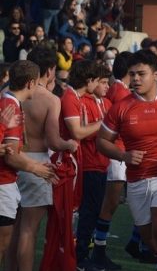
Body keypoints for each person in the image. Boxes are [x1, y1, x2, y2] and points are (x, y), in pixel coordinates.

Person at [92, 50, 157, 271]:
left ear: (156, 75)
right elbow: (102, 141)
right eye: (132, 74)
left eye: (141, 74)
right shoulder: (121, 107)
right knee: (152, 242)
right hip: (138, 181)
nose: (135, 79)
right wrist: (123, 155)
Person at [5, 46, 78, 271]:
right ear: (49, 70)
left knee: (11, 228)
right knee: (29, 230)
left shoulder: (7, 92)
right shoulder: (50, 99)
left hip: (10, 161)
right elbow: (54, 141)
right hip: (36, 163)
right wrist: (71, 144)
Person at [39, 59, 102, 271]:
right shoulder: (69, 98)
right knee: (61, 216)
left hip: (71, 160)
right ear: (90, 80)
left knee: (68, 215)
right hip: (64, 161)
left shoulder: (75, 97)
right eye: (98, 81)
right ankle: (59, 261)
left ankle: (63, 259)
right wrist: (103, 123)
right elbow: (77, 132)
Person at [0, 60, 57, 264]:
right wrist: (36, 168)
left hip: (7, 182)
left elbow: (11, 150)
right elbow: (11, 154)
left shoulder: (9, 102)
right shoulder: (10, 106)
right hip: (2, 184)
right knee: (3, 242)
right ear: (32, 83)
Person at [89, 52, 132, 270]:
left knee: (108, 203)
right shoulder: (120, 91)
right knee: (109, 203)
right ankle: (97, 250)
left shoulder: (117, 89)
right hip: (117, 153)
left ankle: (96, 248)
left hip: (116, 153)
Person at [76, 65, 112, 269]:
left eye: (108, 82)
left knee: (96, 210)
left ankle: (89, 255)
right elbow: (84, 132)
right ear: (92, 82)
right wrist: (103, 125)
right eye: (103, 82)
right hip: (89, 163)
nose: (107, 86)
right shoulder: (84, 102)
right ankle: (80, 256)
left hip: (103, 163)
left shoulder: (106, 102)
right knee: (88, 211)